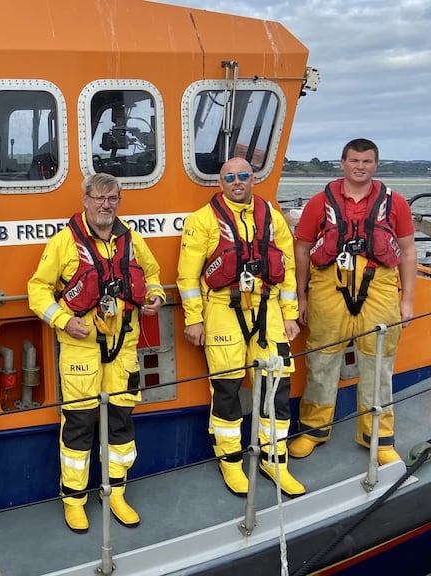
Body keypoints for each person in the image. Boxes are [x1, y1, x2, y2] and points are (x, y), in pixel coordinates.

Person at [27, 173, 165, 532]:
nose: (106, 204)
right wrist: (63, 321)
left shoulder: (132, 240)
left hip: (124, 345)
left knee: (121, 418)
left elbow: (152, 274)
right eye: (99, 197)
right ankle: (74, 499)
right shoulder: (63, 243)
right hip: (81, 347)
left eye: (113, 198)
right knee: (78, 424)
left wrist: (155, 297)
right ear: (85, 200)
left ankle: (116, 492)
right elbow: (37, 291)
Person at [177, 157, 305, 498]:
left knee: (277, 385)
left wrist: (290, 313)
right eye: (230, 177)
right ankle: (230, 460)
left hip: (268, 308)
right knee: (227, 387)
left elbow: (288, 270)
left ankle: (274, 458)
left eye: (243, 175)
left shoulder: (273, 219)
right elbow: (187, 277)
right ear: (221, 183)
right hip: (221, 309)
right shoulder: (201, 221)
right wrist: (193, 318)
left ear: (253, 179)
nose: (237, 181)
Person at [288, 138, 415, 466]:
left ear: (376, 165)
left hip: (381, 288)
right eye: (354, 160)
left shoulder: (395, 203)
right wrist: (301, 296)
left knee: (379, 364)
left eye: (368, 161)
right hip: (328, 288)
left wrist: (408, 300)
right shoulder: (319, 203)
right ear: (342, 163)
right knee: (322, 361)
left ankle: (378, 436)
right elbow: (302, 250)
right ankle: (314, 429)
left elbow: (408, 250)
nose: (360, 167)